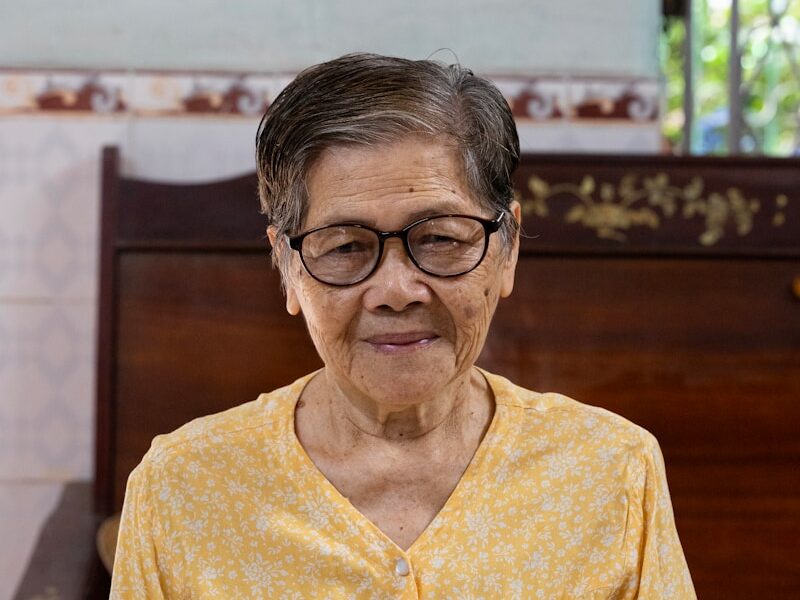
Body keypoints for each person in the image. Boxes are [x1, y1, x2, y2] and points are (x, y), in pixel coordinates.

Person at [110, 53, 695, 599]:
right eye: (343, 246)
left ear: (508, 248)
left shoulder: (610, 471)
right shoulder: (184, 488)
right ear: (287, 267)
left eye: (439, 238)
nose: (394, 291)